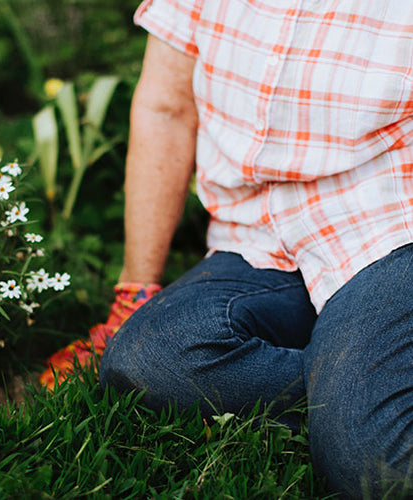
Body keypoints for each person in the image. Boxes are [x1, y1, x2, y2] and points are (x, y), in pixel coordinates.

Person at [40, 0, 413, 497]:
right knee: (150, 362)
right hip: (254, 239)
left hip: (385, 225)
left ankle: (361, 407)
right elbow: (166, 110)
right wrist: (134, 290)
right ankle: (361, 394)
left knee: (376, 465)